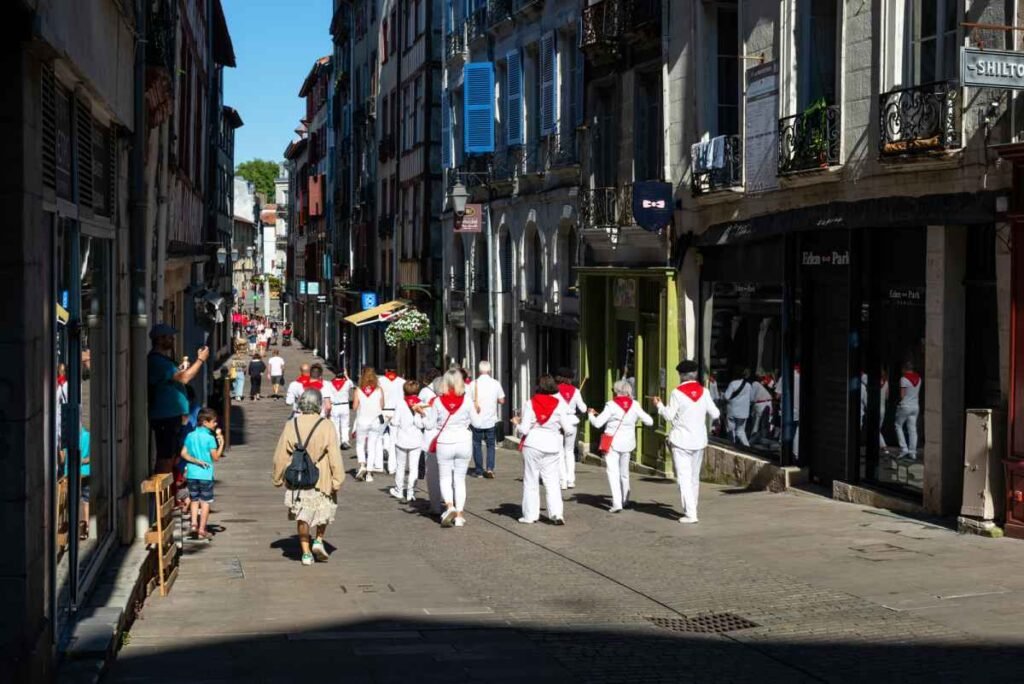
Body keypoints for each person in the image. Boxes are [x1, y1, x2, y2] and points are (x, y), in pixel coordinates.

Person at [272, 389, 344, 566]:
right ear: (318, 404)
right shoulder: (326, 425)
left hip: (299, 477)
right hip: (322, 475)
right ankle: (319, 540)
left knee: (302, 516)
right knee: (323, 511)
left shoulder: (291, 424)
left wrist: (278, 477)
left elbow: (281, 453)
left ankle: (305, 553)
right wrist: (338, 478)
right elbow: (334, 454)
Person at [654, 360, 720, 524]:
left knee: (684, 478)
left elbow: (669, 416)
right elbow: (716, 414)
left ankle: (691, 513)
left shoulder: (677, 392)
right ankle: (692, 508)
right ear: (695, 374)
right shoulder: (704, 392)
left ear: (681, 375)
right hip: (699, 440)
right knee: (694, 477)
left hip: (681, 440)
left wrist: (659, 405)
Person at [148, 323, 208, 478]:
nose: (173, 340)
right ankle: (161, 497)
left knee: (172, 455)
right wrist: (200, 360)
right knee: (166, 457)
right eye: (170, 337)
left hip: (171, 416)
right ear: (160, 339)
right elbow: (185, 378)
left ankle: (166, 494)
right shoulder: (158, 361)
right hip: (165, 416)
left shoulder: (163, 361)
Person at [513, 374, 574, 525]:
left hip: (533, 444)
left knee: (531, 480)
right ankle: (556, 514)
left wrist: (516, 424)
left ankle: (530, 516)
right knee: (552, 481)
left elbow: (524, 430)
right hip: (552, 446)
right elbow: (568, 430)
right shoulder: (560, 404)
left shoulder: (530, 403)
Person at [588, 380, 654, 512]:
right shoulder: (635, 404)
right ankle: (625, 499)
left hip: (612, 442)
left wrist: (590, 415)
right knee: (624, 473)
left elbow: (597, 424)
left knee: (613, 472)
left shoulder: (611, 405)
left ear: (616, 391)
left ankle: (617, 503)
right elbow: (650, 421)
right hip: (628, 443)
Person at [433, 369, 477, 527]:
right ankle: (459, 515)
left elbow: (430, 425)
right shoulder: (467, 401)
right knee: (460, 480)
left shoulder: (438, 401)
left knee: (445, 478)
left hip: (445, 441)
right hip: (463, 441)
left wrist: (420, 413)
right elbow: (477, 423)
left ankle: (449, 506)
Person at [179, 408, 224, 540]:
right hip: (205, 475)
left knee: (194, 500)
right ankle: (201, 529)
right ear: (205, 422)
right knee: (205, 502)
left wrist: (195, 461)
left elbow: (183, 453)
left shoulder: (190, 435)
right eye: (214, 422)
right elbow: (215, 457)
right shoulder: (210, 438)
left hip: (192, 474)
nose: (215, 424)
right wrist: (221, 443)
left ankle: (193, 524)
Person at [390, 380, 428, 502]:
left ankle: (399, 490)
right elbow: (423, 424)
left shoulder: (400, 403)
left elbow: (395, 422)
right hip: (416, 440)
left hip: (401, 439)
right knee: (414, 467)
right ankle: (411, 492)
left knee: (400, 466)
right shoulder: (422, 404)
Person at [470, 360, 506, 478]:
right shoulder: (495, 383)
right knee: (491, 445)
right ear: (489, 370)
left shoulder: (473, 384)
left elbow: (467, 400)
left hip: (476, 420)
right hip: (491, 420)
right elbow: (502, 400)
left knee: (477, 444)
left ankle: (479, 471)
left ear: (479, 370)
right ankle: (490, 468)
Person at [555, 367, 587, 490]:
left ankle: (562, 481)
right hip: (572, 421)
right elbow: (583, 409)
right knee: (569, 451)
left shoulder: (555, 390)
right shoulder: (576, 391)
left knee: (560, 452)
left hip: (559, 423)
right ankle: (571, 480)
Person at [352, 366, 385, 481]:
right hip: (375, 421)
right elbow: (382, 406)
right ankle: (370, 473)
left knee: (360, 444)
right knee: (372, 446)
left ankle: (362, 465)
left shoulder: (358, 390)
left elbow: (355, 407)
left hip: (362, 420)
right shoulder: (379, 390)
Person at [420, 369, 443, 515]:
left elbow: (428, 424)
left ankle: (435, 505)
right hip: (449, 439)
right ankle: (451, 504)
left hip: (431, 438)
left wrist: (421, 415)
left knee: (433, 473)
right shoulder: (453, 399)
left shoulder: (425, 394)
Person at [378, 365, 405, 475]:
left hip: (383, 411)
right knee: (394, 440)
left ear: (386, 370)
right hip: (396, 412)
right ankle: (392, 467)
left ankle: (378, 464)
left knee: (378, 437)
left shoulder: (380, 380)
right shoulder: (402, 381)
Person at [894, 361, 922, 458]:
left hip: (905, 405)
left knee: (898, 425)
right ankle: (912, 452)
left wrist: (897, 402)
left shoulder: (903, 379)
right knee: (912, 429)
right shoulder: (919, 379)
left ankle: (904, 448)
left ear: (904, 369)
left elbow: (902, 395)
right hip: (915, 406)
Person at [723, 368, 752, 447]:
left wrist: (722, 394)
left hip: (732, 411)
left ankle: (732, 445)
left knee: (731, 430)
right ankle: (746, 446)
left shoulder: (733, 384)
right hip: (744, 412)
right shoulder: (748, 385)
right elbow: (751, 398)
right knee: (741, 431)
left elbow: (726, 396)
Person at [327, 369, 353, 449]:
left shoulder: (330, 383)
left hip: (334, 406)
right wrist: (346, 376)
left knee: (335, 425)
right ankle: (345, 441)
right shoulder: (347, 382)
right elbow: (352, 385)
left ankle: (337, 442)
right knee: (345, 425)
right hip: (344, 406)